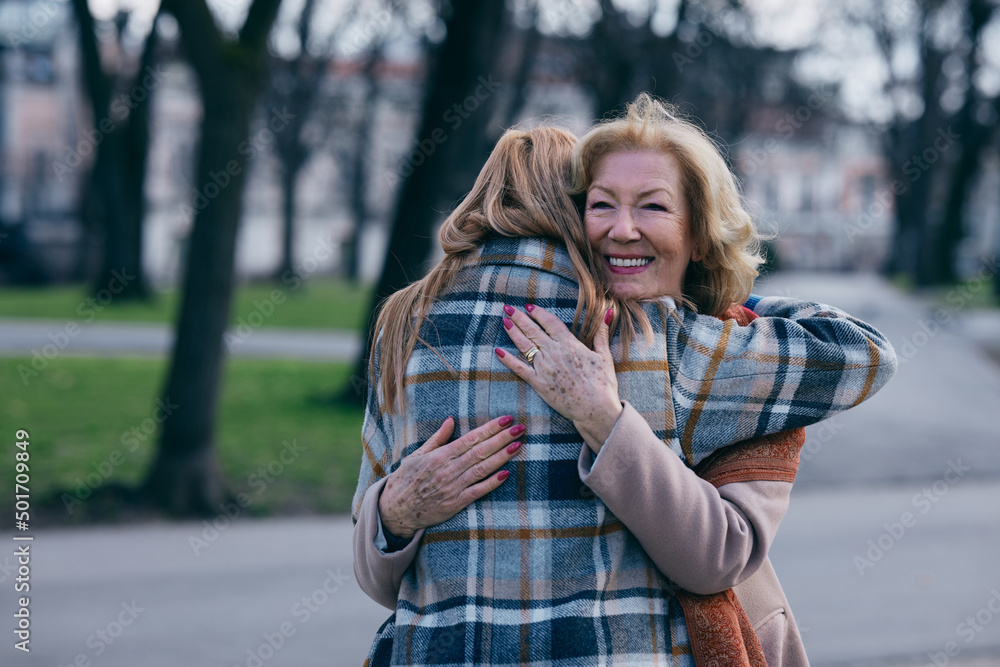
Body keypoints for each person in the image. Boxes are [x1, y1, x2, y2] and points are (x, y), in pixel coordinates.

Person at [353, 103, 896, 666]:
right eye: (601, 204)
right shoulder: (662, 339)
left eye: (652, 206)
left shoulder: (402, 328)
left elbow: (379, 579)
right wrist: (725, 300)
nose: (621, 230)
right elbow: (864, 351)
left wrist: (390, 515)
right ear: (573, 215)